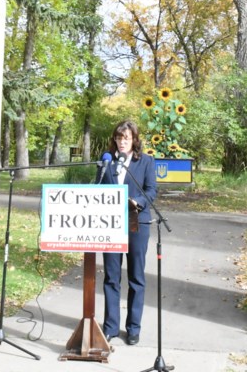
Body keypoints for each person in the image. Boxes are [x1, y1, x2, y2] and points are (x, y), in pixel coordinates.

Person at [100, 119, 157, 346]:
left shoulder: (145, 161)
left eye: (126, 138)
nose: (122, 142)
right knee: (111, 278)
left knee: (136, 277)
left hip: (136, 224)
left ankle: (133, 328)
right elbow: (98, 189)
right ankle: (110, 327)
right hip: (110, 225)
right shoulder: (106, 162)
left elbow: (152, 190)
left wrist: (139, 202)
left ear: (134, 140)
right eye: (118, 138)